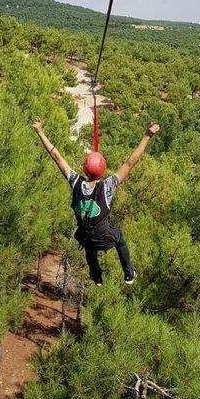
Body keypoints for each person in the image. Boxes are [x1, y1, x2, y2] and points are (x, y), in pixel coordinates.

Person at [33, 117, 160, 285]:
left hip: (87, 238)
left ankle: (97, 276)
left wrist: (40, 132)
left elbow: (56, 156)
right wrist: (147, 136)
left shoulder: (76, 183)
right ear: (103, 169)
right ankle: (129, 273)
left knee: (89, 247)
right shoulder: (107, 186)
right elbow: (130, 162)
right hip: (105, 237)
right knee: (120, 238)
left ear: (85, 169)